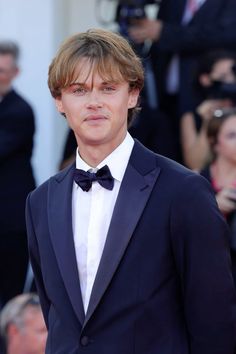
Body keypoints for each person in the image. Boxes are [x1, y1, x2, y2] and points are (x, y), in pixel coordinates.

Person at [26, 28, 236, 354]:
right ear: (59, 101)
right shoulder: (41, 202)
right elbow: (57, 318)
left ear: (133, 94)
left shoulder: (184, 192)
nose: (94, 102)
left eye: (108, 88)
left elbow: (215, 324)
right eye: (79, 90)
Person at [129, 0, 236, 162]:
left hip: (204, 94)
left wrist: (165, 32)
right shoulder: (173, 3)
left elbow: (225, 35)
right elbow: (158, 43)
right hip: (163, 97)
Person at [0, 41, 36, 307]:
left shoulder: (20, 111)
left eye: (3, 70)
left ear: (16, 72)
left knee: (10, 297)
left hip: (11, 222)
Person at [181, 50, 236, 170]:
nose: (230, 82)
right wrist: (208, 121)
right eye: (223, 77)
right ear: (205, 79)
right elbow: (195, 164)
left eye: (233, 75)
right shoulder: (194, 115)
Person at [200, 107, 236, 286]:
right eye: (232, 136)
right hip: (206, 271)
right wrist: (212, 208)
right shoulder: (194, 181)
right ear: (214, 142)